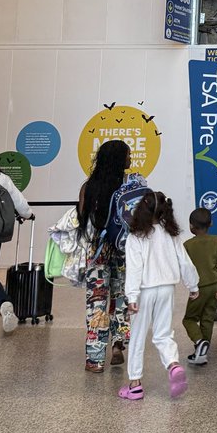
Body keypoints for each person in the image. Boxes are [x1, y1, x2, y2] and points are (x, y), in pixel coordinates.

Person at [120, 191, 199, 401]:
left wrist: (132, 297)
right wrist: (193, 286)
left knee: (137, 335)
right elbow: (185, 262)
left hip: (145, 291)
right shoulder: (171, 234)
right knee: (163, 334)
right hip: (167, 289)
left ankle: (135, 385)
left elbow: (135, 269)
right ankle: (173, 365)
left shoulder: (135, 237)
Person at [77, 140, 133, 374]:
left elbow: (82, 218)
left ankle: (95, 359)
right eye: (128, 155)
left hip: (97, 251)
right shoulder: (129, 187)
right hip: (123, 252)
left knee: (97, 303)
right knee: (121, 298)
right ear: (120, 159)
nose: (131, 159)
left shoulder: (88, 187)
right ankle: (118, 345)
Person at [182, 207, 217, 366]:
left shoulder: (187, 245)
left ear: (191, 226)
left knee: (189, 319)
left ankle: (199, 342)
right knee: (208, 318)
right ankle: (202, 353)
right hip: (216, 286)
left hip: (198, 287)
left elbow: (185, 268)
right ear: (211, 224)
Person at [0, 164, 33, 333]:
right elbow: (20, 203)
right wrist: (28, 214)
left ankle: (2, 301)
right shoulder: (1, 178)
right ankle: (2, 302)